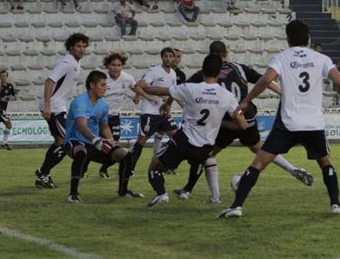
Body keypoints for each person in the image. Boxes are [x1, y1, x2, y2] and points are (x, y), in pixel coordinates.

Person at [219, 20, 340, 219]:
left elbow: (266, 80)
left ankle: (237, 206)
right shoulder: (321, 58)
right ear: (308, 38)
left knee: (259, 162)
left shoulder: (282, 57)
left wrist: (247, 100)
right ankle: (336, 204)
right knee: (325, 162)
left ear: (288, 38)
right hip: (313, 123)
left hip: (288, 122)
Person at [169, 41, 314, 204]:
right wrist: (283, 92)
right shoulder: (239, 68)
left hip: (226, 121)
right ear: (226, 53)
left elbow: (181, 91)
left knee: (208, 154)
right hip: (247, 117)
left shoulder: (204, 74)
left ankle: (207, 195)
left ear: (209, 56)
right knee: (260, 149)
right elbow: (263, 80)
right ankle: (293, 170)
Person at [144, 54, 248, 207]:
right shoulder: (227, 96)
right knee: (202, 161)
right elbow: (243, 125)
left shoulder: (190, 88)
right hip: (206, 145)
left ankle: (161, 194)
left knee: (154, 167)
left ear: (202, 70)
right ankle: (194, 192)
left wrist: (144, 88)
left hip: (185, 139)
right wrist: (222, 124)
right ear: (219, 72)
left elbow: (160, 90)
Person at [64, 71, 142, 203]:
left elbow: (104, 127)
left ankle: (123, 191)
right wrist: (95, 140)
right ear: (92, 85)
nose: (106, 88)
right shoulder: (80, 102)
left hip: (94, 144)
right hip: (74, 141)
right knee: (81, 153)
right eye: (103, 85)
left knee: (125, 155)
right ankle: (73, 194)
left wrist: (112, 142)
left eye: (106, 85)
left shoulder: (103, 105)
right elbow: (81, 125)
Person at [35, 33, 89, 188]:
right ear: (71, 47)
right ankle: (43, 173)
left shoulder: (75, 63)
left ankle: (43, 175)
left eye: (84, 46)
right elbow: (49, 81)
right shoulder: (67, 62)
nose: (82, 49)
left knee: (59, 142)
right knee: (67, 143)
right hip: (54, 107)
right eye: (78, 46)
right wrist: (47, 105)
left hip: (58, 106)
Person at [97, 53, 153, 179]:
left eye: (119, 65)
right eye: (113, 65)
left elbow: (135, 87)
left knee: (115, 147)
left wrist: (144, 96)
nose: (116, 68)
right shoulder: (102, 78)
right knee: (98, 146)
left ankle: (104, 168)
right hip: (100, 117)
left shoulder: (127, 78)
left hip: (115, 117)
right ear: (107, 65)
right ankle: (83, 167)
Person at [130, 47, 179, 171]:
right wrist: (148, 96)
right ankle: (130, 166)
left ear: (174, 58)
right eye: (165, 56)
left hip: (163, 112)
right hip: (150, 111)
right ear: (162, 58)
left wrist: (168, 105)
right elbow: (138, 86)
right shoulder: (154, 71)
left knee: (177, 137)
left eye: (170, 56)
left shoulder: (173, 73)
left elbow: (173, 92)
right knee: (142, 140)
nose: (168, 58)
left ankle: (164, 164)